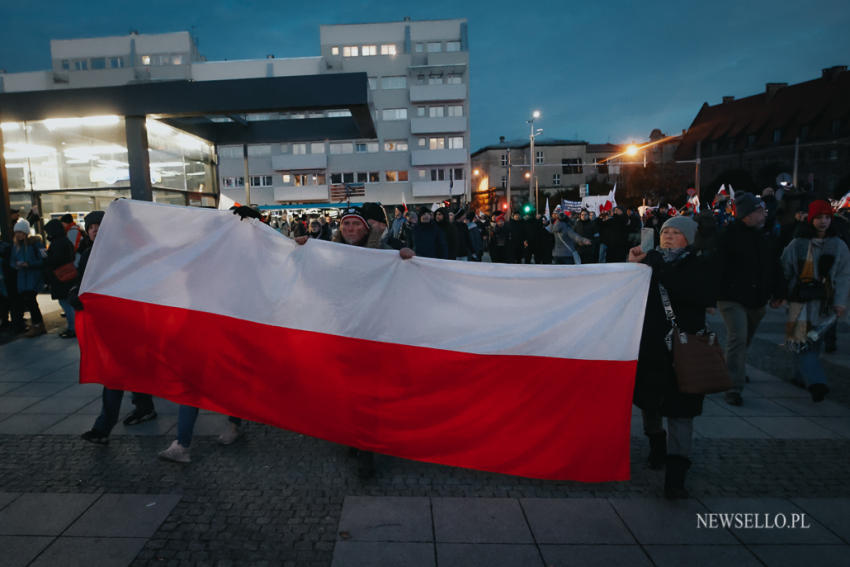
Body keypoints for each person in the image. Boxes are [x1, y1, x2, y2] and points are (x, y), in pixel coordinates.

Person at [629, 215, 715, 499]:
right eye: (666, 231)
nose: (668, 236)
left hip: (684, 347)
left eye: (677, 233)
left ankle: (676, 474)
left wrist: (659, 270)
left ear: (689, 239)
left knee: (681, 411)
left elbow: (695, 292)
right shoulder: (650, 260)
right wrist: (632, 265)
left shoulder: (699, 265)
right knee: (650, 401)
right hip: (652, 345)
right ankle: (656, 447)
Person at [79, 211, 159, 444]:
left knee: (113, 374)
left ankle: (103, 427)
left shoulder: (125, 254)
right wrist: (77, 294)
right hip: (104, 323)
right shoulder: (86, 255)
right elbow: (83, 283)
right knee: (129, 370)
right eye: (91, 226)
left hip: (126, 323)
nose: (94, 230)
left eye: (99, 226)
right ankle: (144, 407)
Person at [715, 193, 783, 406]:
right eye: (758, 210)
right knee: (738, 337)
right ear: (747, 214)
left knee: (744, 340)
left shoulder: (765, 236)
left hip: (757, 299)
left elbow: (774, 266)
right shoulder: (727, 236)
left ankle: (737, 368)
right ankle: (733, 386)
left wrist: (779, 292)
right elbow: (716, 267)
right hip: (731, 297)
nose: (763, 213)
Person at [780, 200, 850, 402]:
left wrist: (840, 301)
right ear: (811, 219)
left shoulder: (839, 245)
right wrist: (781, 294)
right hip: (799, 299)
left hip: (824, 302)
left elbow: (844, 275)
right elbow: (785, 269)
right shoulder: (798, 244)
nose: (823, 222)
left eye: (827, 217)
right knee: (801, 341)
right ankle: (816, 382)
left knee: (812, 342)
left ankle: (800, 376)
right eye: (819, 217)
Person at [10, 219, 46, 338]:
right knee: (30, 302)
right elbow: (12, 260)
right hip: (22, 278)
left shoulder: (35, 244)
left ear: (26, 232)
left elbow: (44, 260)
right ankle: (38, 325)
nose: (18, 234)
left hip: (33, 278)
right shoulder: (16, 246)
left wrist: (29, 264)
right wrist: (16, 265)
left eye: (20, 232)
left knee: (31, 302)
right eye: (17, 232)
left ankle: (37, 325)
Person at [43, 219, 77, 338]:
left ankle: (72, 328)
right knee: (69, 303)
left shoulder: (57, 243)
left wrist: (46, 258)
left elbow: (55, 260)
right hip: (68, 276)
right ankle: (73, 327)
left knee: (66, 304)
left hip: (60, 277)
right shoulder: (65, 240)